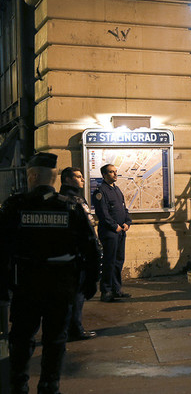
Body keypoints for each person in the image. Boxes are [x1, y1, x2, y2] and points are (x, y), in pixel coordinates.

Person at [1, 153, 102, 394]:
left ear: (33, 176)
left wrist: (3, 286)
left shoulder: (15, 206)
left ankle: (19, 384)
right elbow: (91, 248)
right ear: (55, 178)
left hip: (26, 284)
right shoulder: (71, 207)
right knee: (56, 338)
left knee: (22, 337)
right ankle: (49, 385)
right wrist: (90, 283)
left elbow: (2, 249)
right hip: (61, 285)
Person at [59, 166, 98, 341]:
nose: (82, 180)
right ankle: (75, 328)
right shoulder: (74, 200)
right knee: (77, 295)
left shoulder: (64, 199)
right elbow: (86, 231)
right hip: (77, 255)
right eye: (78, 177)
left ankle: (71, 328)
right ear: (67, 179)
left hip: (68, 254)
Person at [92, 164, 132, 302]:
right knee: (109, 261)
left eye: (115, 172)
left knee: (118, 261)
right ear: (104, 175)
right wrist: (115, 226)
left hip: (121, 231)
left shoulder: (117, 190)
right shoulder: (100, 191)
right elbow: (102, 213)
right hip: (110, 232)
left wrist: (127, 222)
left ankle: (116, 289)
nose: (115, 174)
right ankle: (106, 291)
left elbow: (123, 209)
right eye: (111, 172)